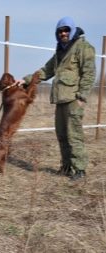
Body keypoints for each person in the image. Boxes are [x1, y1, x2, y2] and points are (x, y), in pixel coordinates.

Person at [21, 17, 96, 180]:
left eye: (66, 30)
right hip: (61, 100)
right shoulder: (60, 51)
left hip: (73, 100)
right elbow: (46, 71)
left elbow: (89, 73)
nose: (63, 33)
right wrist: (26, 80)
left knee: (74, 135)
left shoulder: (83, 47)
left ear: (73, 30)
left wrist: (82, 97)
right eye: (60, 31)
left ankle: (80, 170)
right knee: (62, 135)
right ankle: (67, 167)